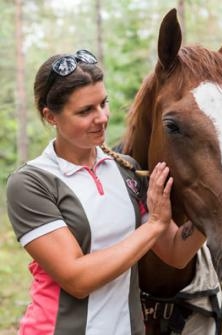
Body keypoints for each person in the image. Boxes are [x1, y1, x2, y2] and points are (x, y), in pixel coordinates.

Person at [6, 50, 207, 334]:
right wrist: (153, 226)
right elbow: (77, 278)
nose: (102, 118)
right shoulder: (31, 183)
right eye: (85, 111)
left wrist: (217, 206)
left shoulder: (127, 171)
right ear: (51, 116)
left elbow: (175, 251)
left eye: (103, 103)